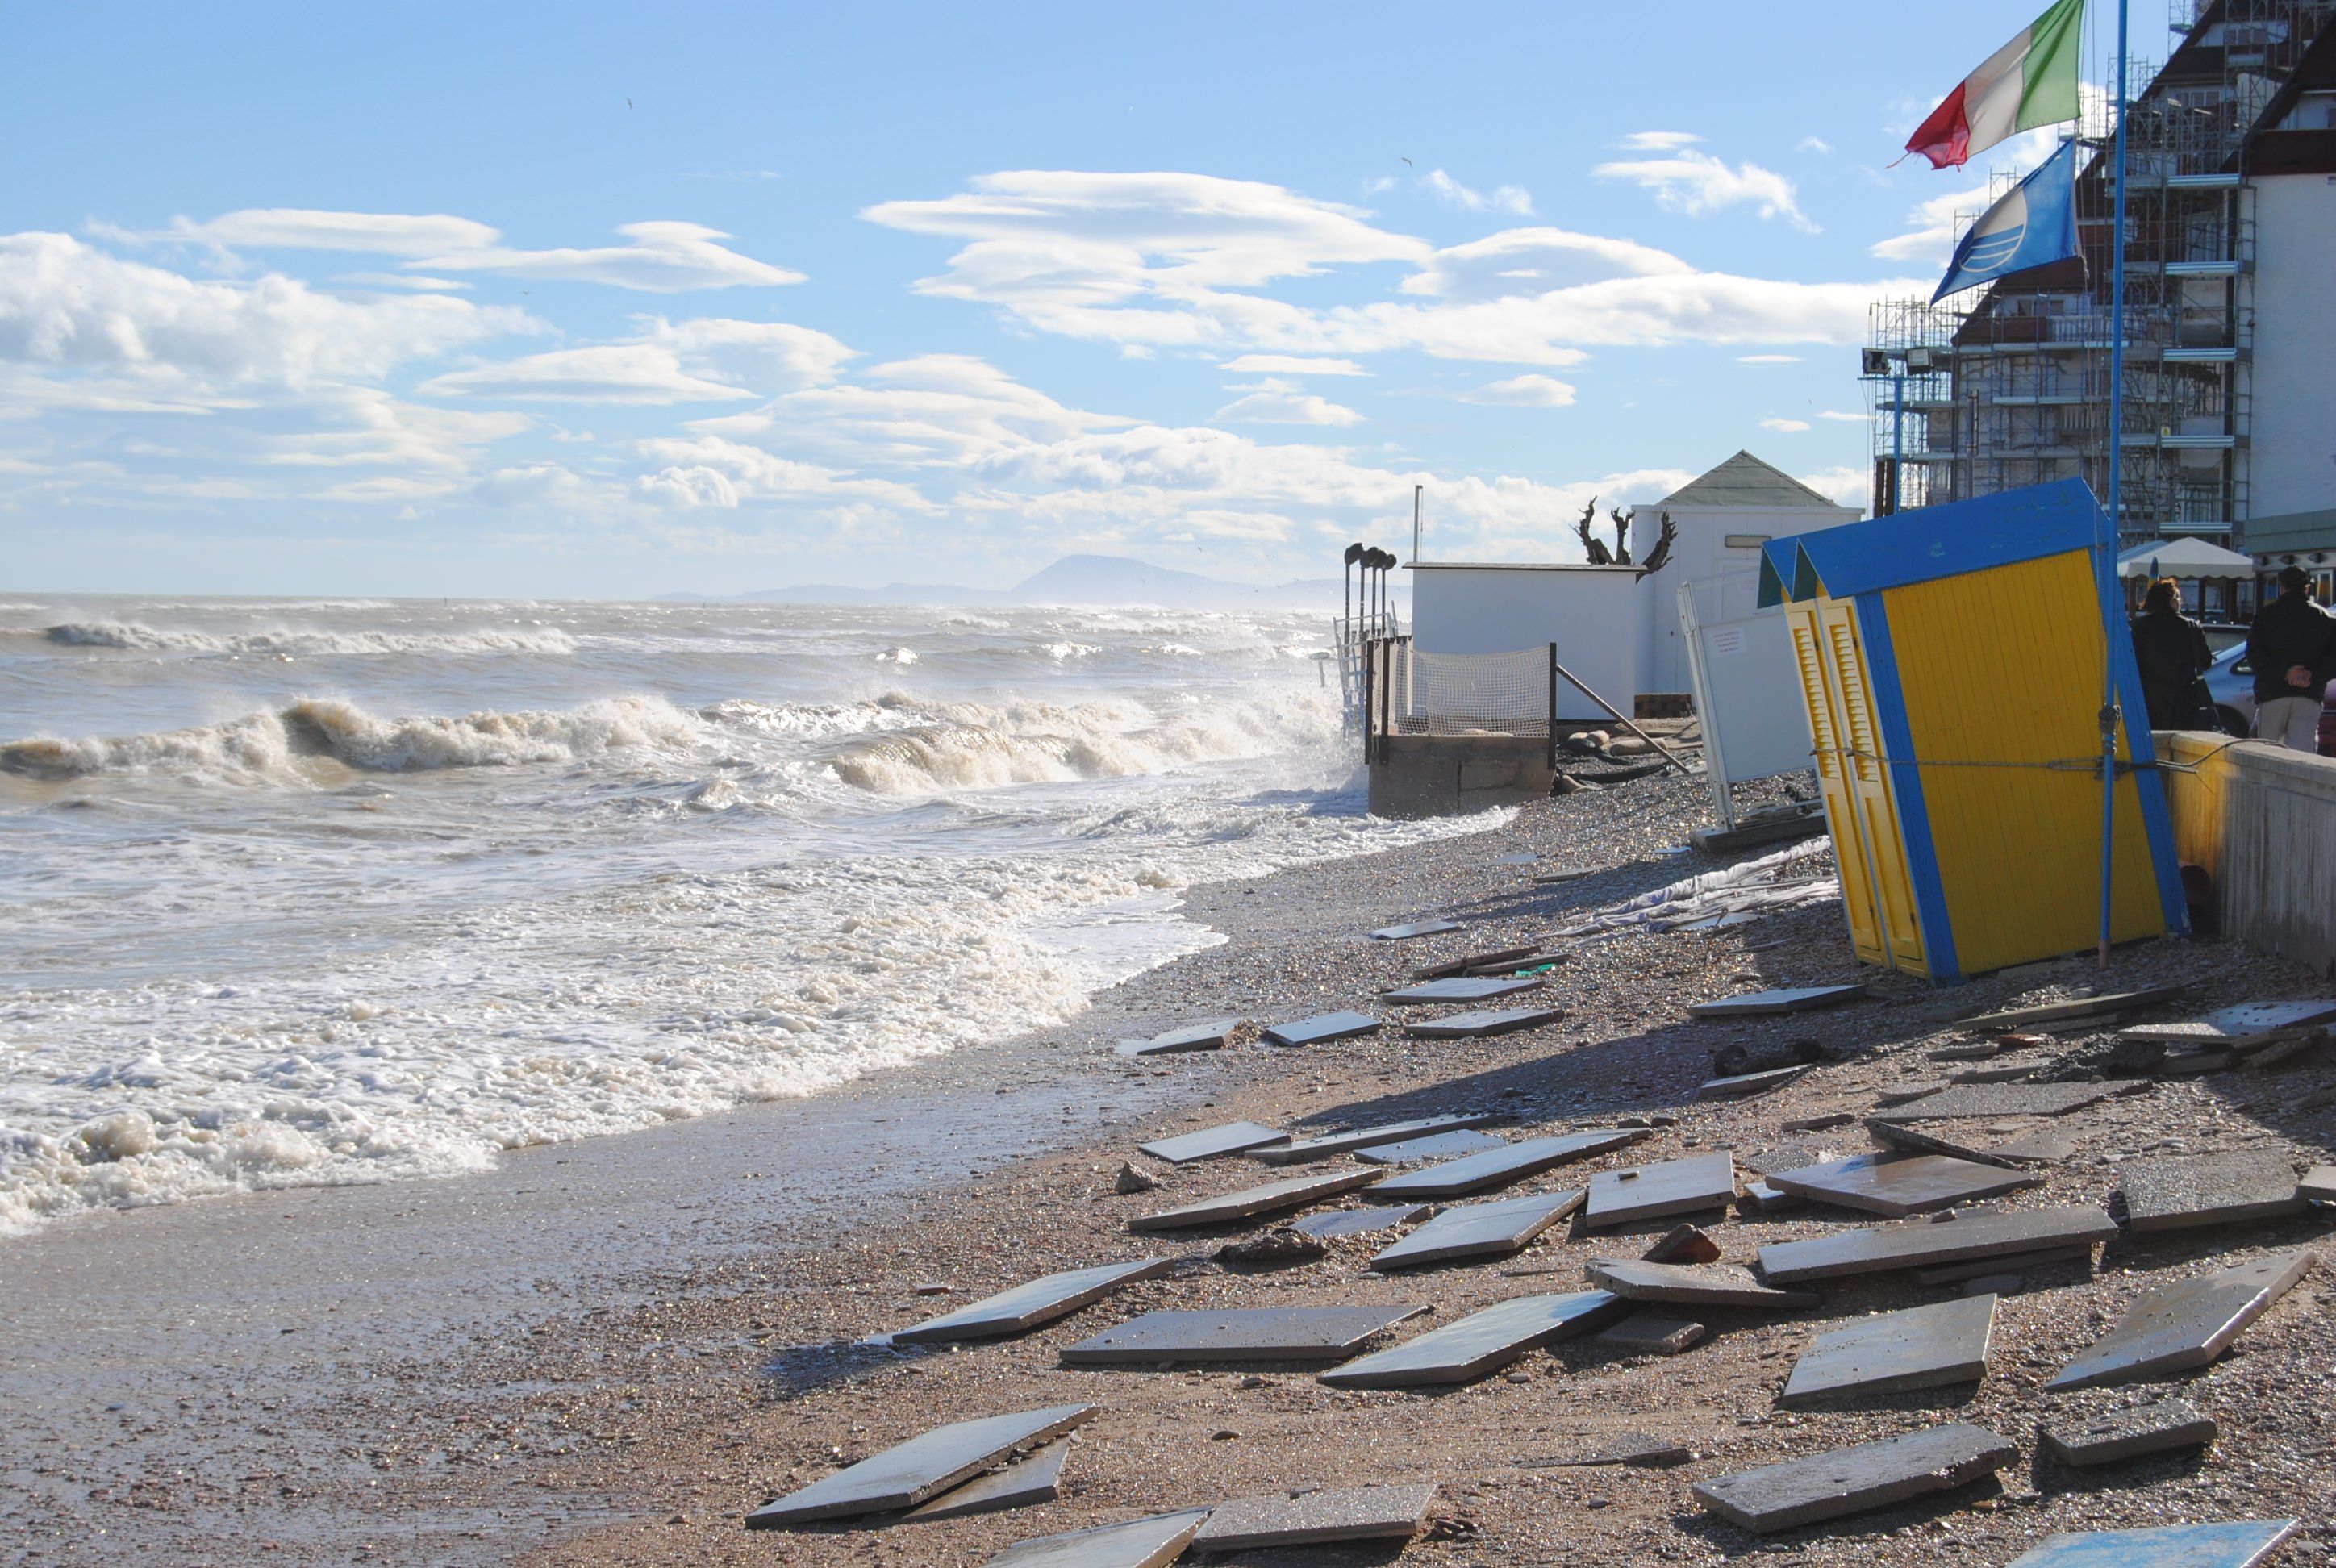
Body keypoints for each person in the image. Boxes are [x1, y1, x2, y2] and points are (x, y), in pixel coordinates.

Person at [2244, 565, 2336, 750]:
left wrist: (2286, 673)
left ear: (2281, 586)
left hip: (2273, 691)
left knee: (2268, 750)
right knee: (2302, 755)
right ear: (2308, 587)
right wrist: (2310, 675)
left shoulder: (2265, 616)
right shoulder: (2326, 619)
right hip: (2309, 693)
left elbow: (2254, 654)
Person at [2128, 578, 2213, 731]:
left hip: (2150, 698)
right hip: (2185, 699)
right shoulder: (2191, 627)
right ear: (2172, 601)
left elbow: (2134, 663)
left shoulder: (2140, 626)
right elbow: (2205, 662)